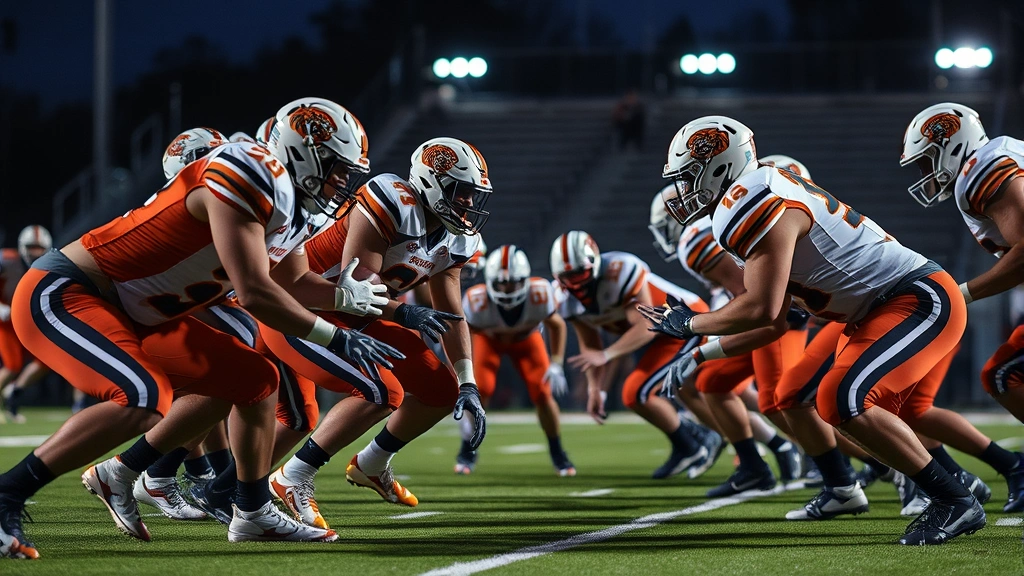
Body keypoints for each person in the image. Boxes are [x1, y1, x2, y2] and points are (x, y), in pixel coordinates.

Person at [0, 97, 397, 558]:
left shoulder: (291, 206)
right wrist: (336, 335)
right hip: (72, 291)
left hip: (142, 314)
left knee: (255, 379)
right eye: (336, 168)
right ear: (303, 148)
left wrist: (344, 297)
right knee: (143, 395)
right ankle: (8, 494)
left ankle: (248, 511)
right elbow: (254, 293)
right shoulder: (251, 168)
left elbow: (292, 282)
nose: (342, 182)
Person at [643, 115, 983, 546]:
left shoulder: (750, 199)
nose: (686, 191)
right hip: (879, 308)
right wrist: (702, 352)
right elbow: (773, 320)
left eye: (690, 177)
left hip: (913, 298)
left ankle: (953, 496)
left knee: (844, 397)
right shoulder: (759, 190)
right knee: (807, 396)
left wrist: (691, 325)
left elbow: (759, 307)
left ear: (718, 165)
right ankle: (888, 486)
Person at [263, 137, 490, 529]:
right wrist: (405, 313)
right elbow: (357, 285)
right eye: (462, 192)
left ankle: (371, 464)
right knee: (381, 392)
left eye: (474, 194)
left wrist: (469, 381)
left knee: (442, 391)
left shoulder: (456, 238)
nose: (469, 203)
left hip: (360, 315)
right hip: (302, 309)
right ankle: (293, 475)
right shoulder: (392, 201)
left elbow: (452, 313)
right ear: (433, 183)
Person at [899, 102, 1024, 513]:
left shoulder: (981, 171)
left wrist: (962, 292)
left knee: (1006, 375)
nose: (925, 174)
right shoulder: (1000, 155)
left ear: (950, 144)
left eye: (926, 161)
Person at [553, 230, 722, 479]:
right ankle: (698, 442)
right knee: (644, 393)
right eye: (568, 276)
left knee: (640, 392)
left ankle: (698, 442)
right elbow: (590, 347)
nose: (575, 282)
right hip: (659, 337)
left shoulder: (621, 271)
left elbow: (645, 326)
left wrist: (608, 355)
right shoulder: (564, 299)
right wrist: (595, 389)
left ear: (595, 263)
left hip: (686, 322)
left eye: (579, 273)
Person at [460, 244, 575, 475]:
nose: (506, 287)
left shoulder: (540, 293)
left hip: (526, 340)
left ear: (526, 279)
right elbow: (463, 333)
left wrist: (556, 362)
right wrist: (464, 369)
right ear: (490, 281)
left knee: (542, 393)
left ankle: (557, 452)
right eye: (501, 282)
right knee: (480, 391)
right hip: (489, 340)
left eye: (512, 282)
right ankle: (467, 449)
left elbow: (557, 325)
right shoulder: (476, 300)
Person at [0, 226, 54, 423]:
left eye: (39, 247)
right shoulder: (6, 260)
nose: (35, 252)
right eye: (31, 246)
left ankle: (14, 393)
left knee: (46, 359)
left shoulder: (51, 264)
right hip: (5, 320)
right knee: (12, 365)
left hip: (26, 320)